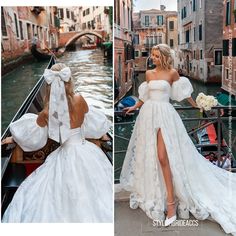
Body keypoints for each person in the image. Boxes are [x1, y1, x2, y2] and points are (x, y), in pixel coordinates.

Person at [120, 44, 236, 235]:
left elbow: (185, 96)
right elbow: (145, 96)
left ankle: (172, 204)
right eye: (153, 56)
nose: (153, 59)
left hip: (165, 115)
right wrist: (134, 107)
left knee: (163, 156)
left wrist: (201, 105)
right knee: (153, 155)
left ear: (164, 56)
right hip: (148, 115)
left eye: (157, 56)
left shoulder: (173, 73)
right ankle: (162, 195)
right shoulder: (149, 74)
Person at [1, 63, 113, 223]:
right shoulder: (80, 100)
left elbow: (31, 137)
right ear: (69, 81)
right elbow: (91, 122)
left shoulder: (46, 112)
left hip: (64, 153)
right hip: (86, 152)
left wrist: (14, 138)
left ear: (49, 86)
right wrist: (101, 135)